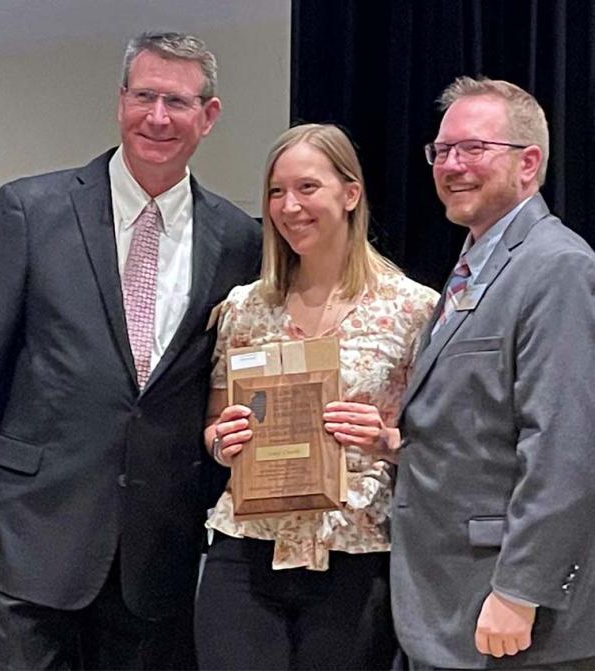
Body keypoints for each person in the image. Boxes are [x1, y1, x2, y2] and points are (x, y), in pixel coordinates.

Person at [0, 31, 261, 670]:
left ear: (210, 114)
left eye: (177, 101)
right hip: (23, 541)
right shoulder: (31, 210)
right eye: (144, 96)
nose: (158, 118)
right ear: (120, 101)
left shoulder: (236, 238)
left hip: (156, 554)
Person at [194, 123, 438, 670]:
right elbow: (212, 422)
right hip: (246, 549)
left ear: (350, 194)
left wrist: (387, 441)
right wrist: (221, 441)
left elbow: (441, 440)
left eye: (307, 188)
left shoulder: (412, 310)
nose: (289, 206)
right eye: (277, 192)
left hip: (355, 555)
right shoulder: (245, 307)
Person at [390, 76, 595, 670]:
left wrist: (521, 590)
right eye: (442, 150)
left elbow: (565, 446)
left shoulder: (557, 267)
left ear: (528, 163)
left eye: (473, 149)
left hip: (511, 619)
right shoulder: (476, 264)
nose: (452, 165)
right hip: (448, 605)